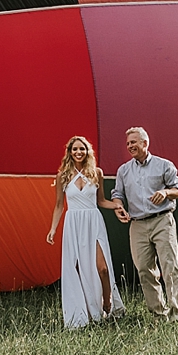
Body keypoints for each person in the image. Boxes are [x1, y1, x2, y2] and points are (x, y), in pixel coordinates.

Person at [47, 136, 126, 328]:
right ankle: (85, 312)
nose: (78, 152)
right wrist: (53, 229)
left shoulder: (96, 173)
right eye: (74, 149)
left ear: (87, 151)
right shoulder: (62, 176)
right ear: (69, 152)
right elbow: (59, 205)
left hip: (94, 221)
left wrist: (117, 206)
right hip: (73, 223)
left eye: (81, 149)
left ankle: (107, 302)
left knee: (102, 267)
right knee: (76, 269)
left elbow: (101, 201)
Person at [112, 127, 178, 323]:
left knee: (170, 267)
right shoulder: (123, 171)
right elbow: (117, 195)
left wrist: (166, 193)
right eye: (128, 143)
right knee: (145, 270)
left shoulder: (164, 165)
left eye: (134, 142)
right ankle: (158, 315)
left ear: (145, 143)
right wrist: (118, 207)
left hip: (162, 220)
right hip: (137, 224)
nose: (130, 146)